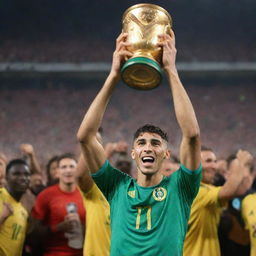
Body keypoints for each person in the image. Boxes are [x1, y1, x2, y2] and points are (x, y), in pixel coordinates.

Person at [77, 30, 202, 255]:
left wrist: (171, 70)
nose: (148, 147)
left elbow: (192, 135)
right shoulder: (116, 187)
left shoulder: (180, 187)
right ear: (134, 153)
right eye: (142, 143)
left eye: (156, 143)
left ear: (166, 154)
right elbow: (85, 136)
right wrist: (114, 75)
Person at [183, 146, 253, 256]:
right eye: (208, 161)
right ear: (192, 164)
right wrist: (241, 164)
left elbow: (238, 190)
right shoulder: (197, 191)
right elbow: (229, 191)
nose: (214, 166)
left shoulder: (199, 189)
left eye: (215, 161)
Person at [31, 153, 85, 256]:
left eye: (72, 166)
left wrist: (84, 228)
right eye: (63, 167)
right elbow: (33, 232)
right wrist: (58, 228)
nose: (68, 170)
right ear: (58, 172)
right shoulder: (46, 195)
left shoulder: (86, 195)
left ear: (77, 170)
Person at [0, 159, 31, 256]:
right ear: (7, 177)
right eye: (16, 174)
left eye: (26, 174)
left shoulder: (23, 212)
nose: (23, 178)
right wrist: (2, 217)